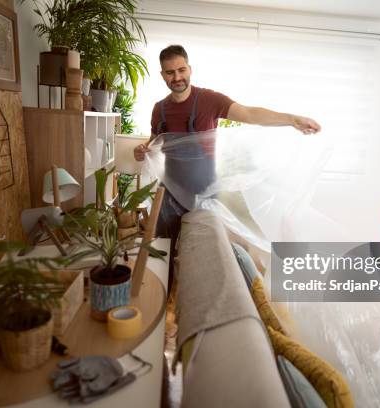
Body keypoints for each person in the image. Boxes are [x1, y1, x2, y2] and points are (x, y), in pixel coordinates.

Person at [134, 44, 321, 290]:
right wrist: (142, 149)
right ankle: (164, 311)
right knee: (162, 256)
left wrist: (292, 119)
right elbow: (155, 142)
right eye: (170, 72)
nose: (177, 77)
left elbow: (250, 114)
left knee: (211, 255)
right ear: (162, 75)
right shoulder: (160, 109)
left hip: (206, 194)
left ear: (190, 69)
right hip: (169, 195)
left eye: (181, 70)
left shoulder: (209, 100)